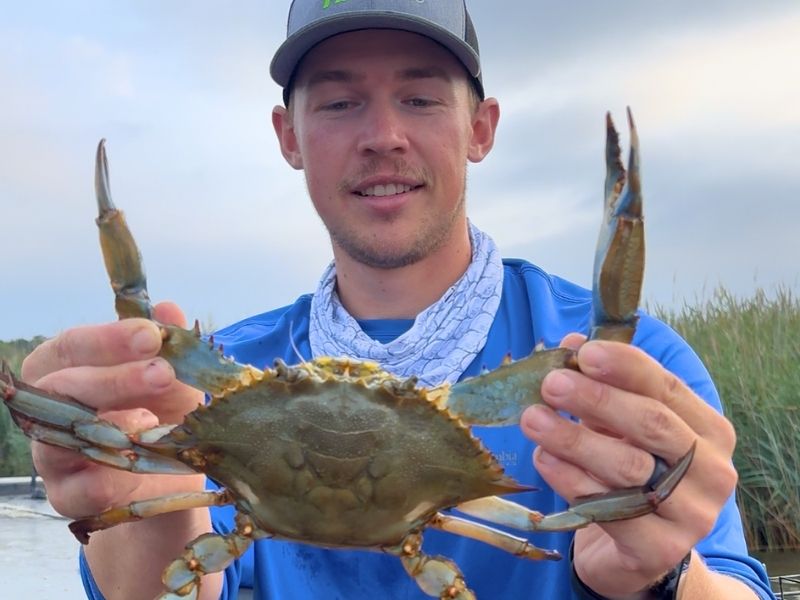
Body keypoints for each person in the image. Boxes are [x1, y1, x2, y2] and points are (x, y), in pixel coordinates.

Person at [21, 1, 774, 599]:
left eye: (418, 98)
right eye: (341, 104)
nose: (383, 136)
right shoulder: (198, 385)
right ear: (289, 137)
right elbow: (172, 575)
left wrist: (664, 578)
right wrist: (143, 534)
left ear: (480, 128)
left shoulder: (613, 370)